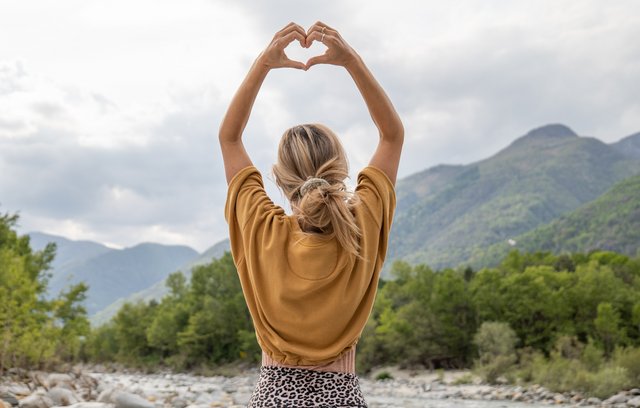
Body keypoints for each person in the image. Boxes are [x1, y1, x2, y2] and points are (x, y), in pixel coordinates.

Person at [220, 21, 403, 407]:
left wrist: (263, 63)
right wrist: (350, 60)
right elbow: (391, 135)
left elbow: (229, 137)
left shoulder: (260, 227)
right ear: (340, 171)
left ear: (279, 178)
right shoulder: (363, 224)